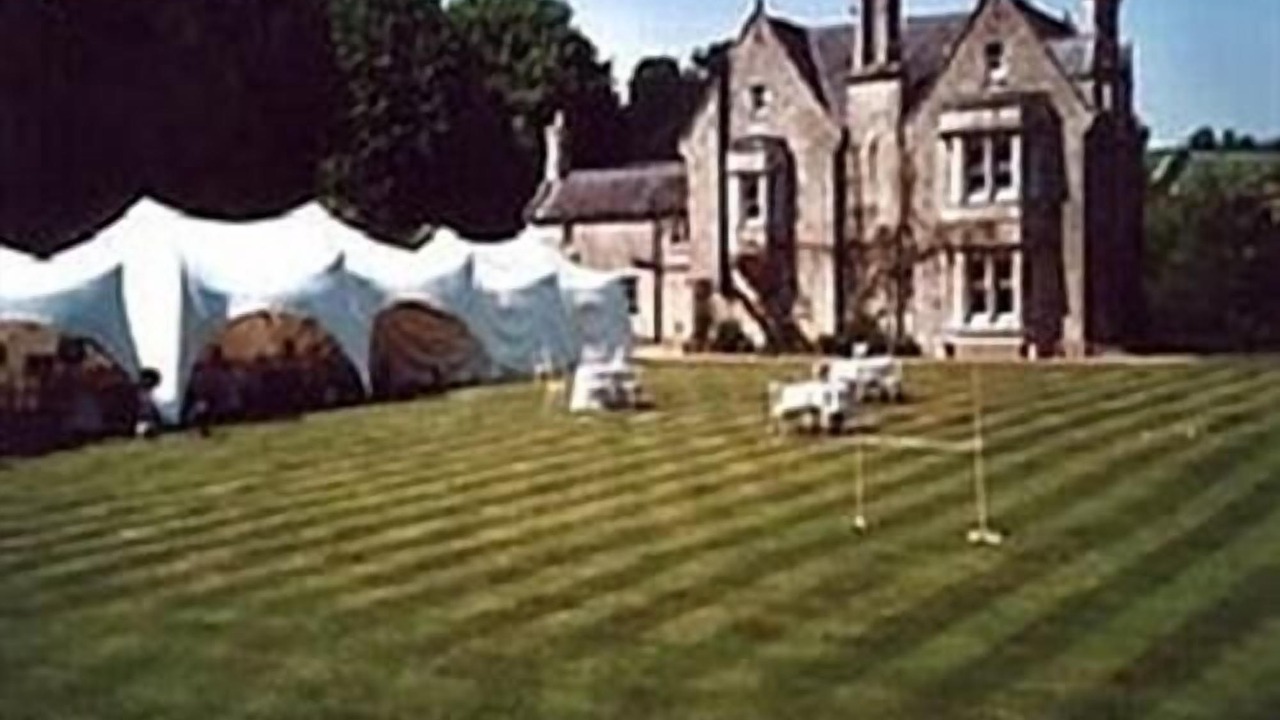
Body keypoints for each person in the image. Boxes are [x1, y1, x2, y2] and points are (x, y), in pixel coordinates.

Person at [134, 368, 162, 439]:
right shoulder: (137, 393)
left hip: (148, 419)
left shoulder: (150, 395)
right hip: (138, 420)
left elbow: (154, 410)